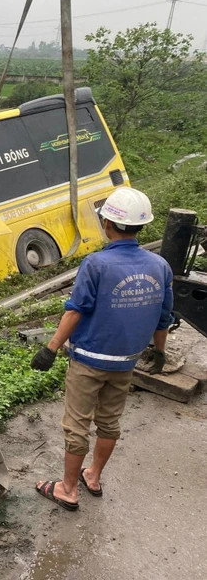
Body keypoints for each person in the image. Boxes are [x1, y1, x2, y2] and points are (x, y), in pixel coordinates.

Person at [30, 186, 173, 511]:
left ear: (107, 224)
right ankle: (92, 477)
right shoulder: (160, 266)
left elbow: (75, 309)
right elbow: (164, 318)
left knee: (76, 425)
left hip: (88, 362)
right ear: (142, 226)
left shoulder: (96, 265)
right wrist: (159, 353)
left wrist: (50, 349)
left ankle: (68, 490)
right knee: (109, 422)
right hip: (126, 363)